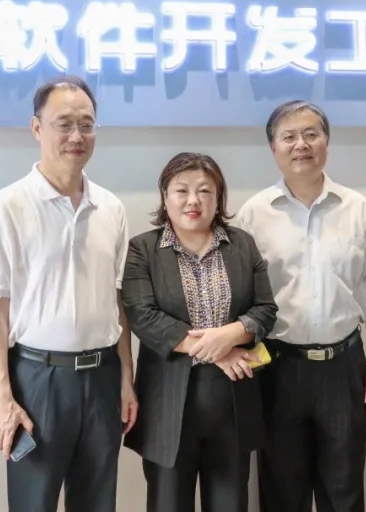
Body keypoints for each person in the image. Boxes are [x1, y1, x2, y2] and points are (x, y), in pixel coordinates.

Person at [0, 75, 138, 512]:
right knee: (33, 503)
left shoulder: (111, 208)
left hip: (102, 378)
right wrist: (1, 399)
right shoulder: (6, 206)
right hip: (36, 380)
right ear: (37, 128)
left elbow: (118, 303)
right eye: (64, 124)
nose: (76, 136)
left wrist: (126, 379)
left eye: (87, 124)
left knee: (98, 502)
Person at [234, 100, 366, 512]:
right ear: (273, 147)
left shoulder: (357, 208)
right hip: (277, 368)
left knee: (344, 491)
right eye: (289, 136)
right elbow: (239, 298)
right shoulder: (253, 214)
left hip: (343, 368)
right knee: (280, 492)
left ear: (327, 141)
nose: (301, 145)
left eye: (311, 134)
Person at [122, 152, 278, 512]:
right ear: (165, 196)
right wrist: (218, 350)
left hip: (232, 402)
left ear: (218, 197)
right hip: (168, 404)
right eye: (182, 190)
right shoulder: (143, 249)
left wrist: (232, 334)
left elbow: (265, 310)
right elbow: (143, 317)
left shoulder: (242, 244)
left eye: (204, 191)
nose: (193, 200)